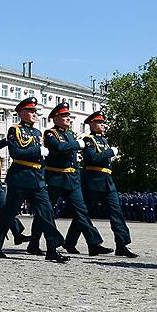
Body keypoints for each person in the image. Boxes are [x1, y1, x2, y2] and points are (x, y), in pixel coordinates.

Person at [0, 98, 69, 262]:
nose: (35, 114)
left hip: (37, 179)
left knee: (47, 213)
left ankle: (52, 249)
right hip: (20, 177)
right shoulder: (15, 130)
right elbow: (15, 153)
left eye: (35, 111)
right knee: (9, 214)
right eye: (31, 111)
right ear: (22, 113)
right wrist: (37, 151)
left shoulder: (37, 133)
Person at [44, 103, 113, 256]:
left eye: (68, 116)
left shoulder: (69, 135)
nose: (68, 118)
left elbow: (73, 158)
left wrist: (77, 176)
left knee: (82, 212)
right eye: (65, 116)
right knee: (47, 212)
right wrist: (76, 144)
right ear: (56, 118)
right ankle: (36, 242)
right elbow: (58, 148)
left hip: (71, 180)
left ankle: (94, 244)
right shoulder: (50, 133)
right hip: (55, 178)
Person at [79, 111, 137, 258]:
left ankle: (121, 245)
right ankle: (75, 242)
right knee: (83, 214)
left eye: (103, 122)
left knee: (116, 213)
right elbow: (92, 158)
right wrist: (110, 152)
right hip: (94, 181)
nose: (103, 125)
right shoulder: (88, 140)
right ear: (92, 124)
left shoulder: (104, 141)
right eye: (100, 122)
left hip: (107, 182)